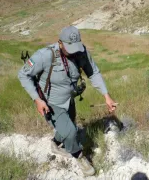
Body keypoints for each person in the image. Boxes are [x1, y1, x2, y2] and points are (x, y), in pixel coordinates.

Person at [18, 25, 117, 176]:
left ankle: (55, 144)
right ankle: (79, 156)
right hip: (50, 103)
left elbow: (93, 73)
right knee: (71, 132)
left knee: (69, 125)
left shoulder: (81, 53)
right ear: (60, 43)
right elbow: (23, 75)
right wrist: (37, 99)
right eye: (69, 47)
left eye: (75, 46)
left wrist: (106, 96)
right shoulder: (45, 55)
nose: (74, 51)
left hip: (69, 100)